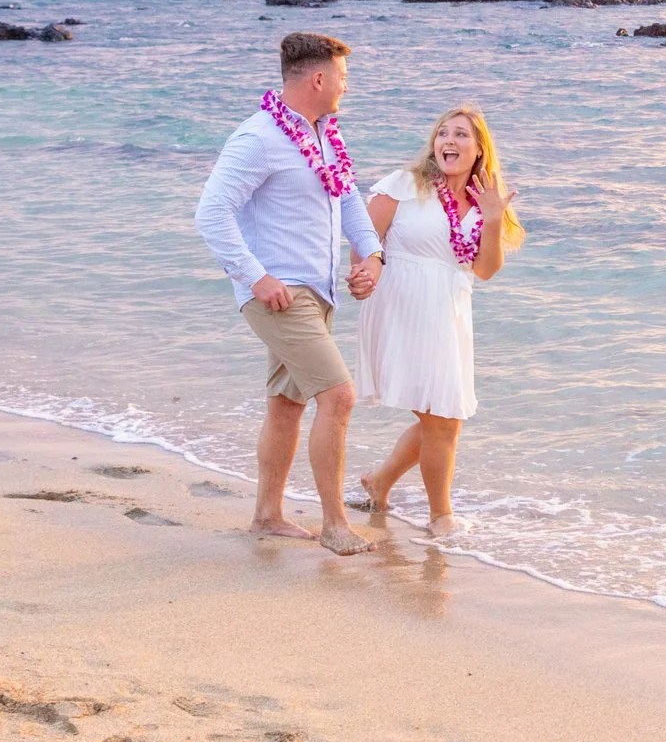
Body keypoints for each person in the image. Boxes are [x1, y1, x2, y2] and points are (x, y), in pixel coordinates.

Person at [194, 32, 386, 552]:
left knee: (286, 403)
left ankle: (267, 515)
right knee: (338, 396)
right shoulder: (258, 138)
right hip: (277, 292)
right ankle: (336, 525)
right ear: (319, 78)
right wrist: (255, 275)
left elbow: (348, 201)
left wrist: (372, 255)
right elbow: (211, 212)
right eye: (344, 76)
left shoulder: (326, 135)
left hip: (318, 290)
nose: (348, 86)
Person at [355, 104, 523, 535]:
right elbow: (364, 236)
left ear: (480, 149)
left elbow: (484, 270)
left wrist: (490, 218)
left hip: (448, 313)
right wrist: (364, 272)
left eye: (461, 134)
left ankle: (379, 483)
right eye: (443, 133)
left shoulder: (486, 202)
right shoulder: (407, 183)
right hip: (400, 302)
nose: (449, 140)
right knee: (442, 419)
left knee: (441, 416)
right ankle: (440, 516)